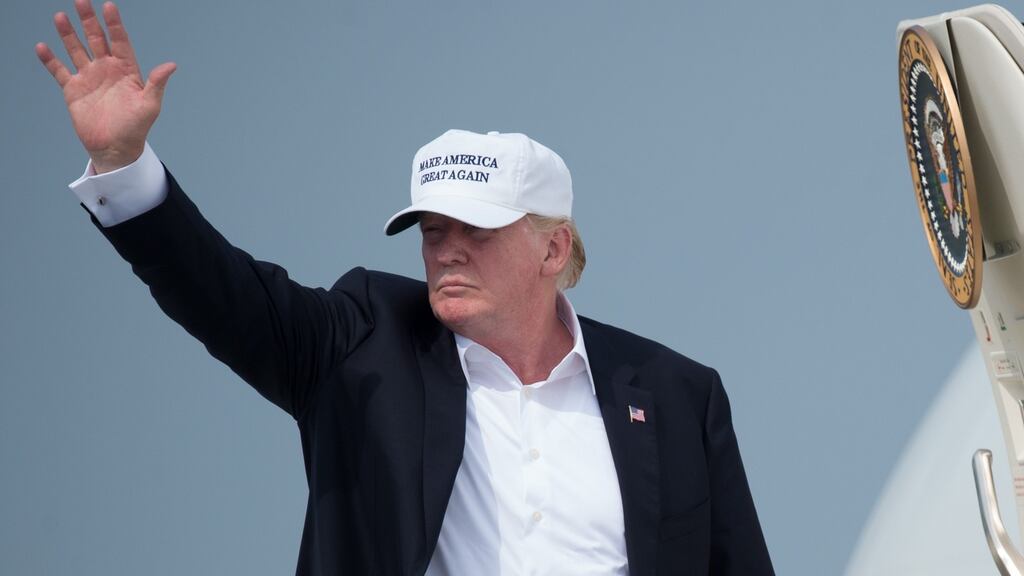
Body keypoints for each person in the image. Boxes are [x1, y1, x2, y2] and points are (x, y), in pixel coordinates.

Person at [36, 2, 775, 575]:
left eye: (475, 232)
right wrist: (127, 167)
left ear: (553, 247)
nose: (445, 252)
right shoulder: (360, 345)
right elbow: (220, 293)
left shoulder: (677, 395)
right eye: (430, 231)